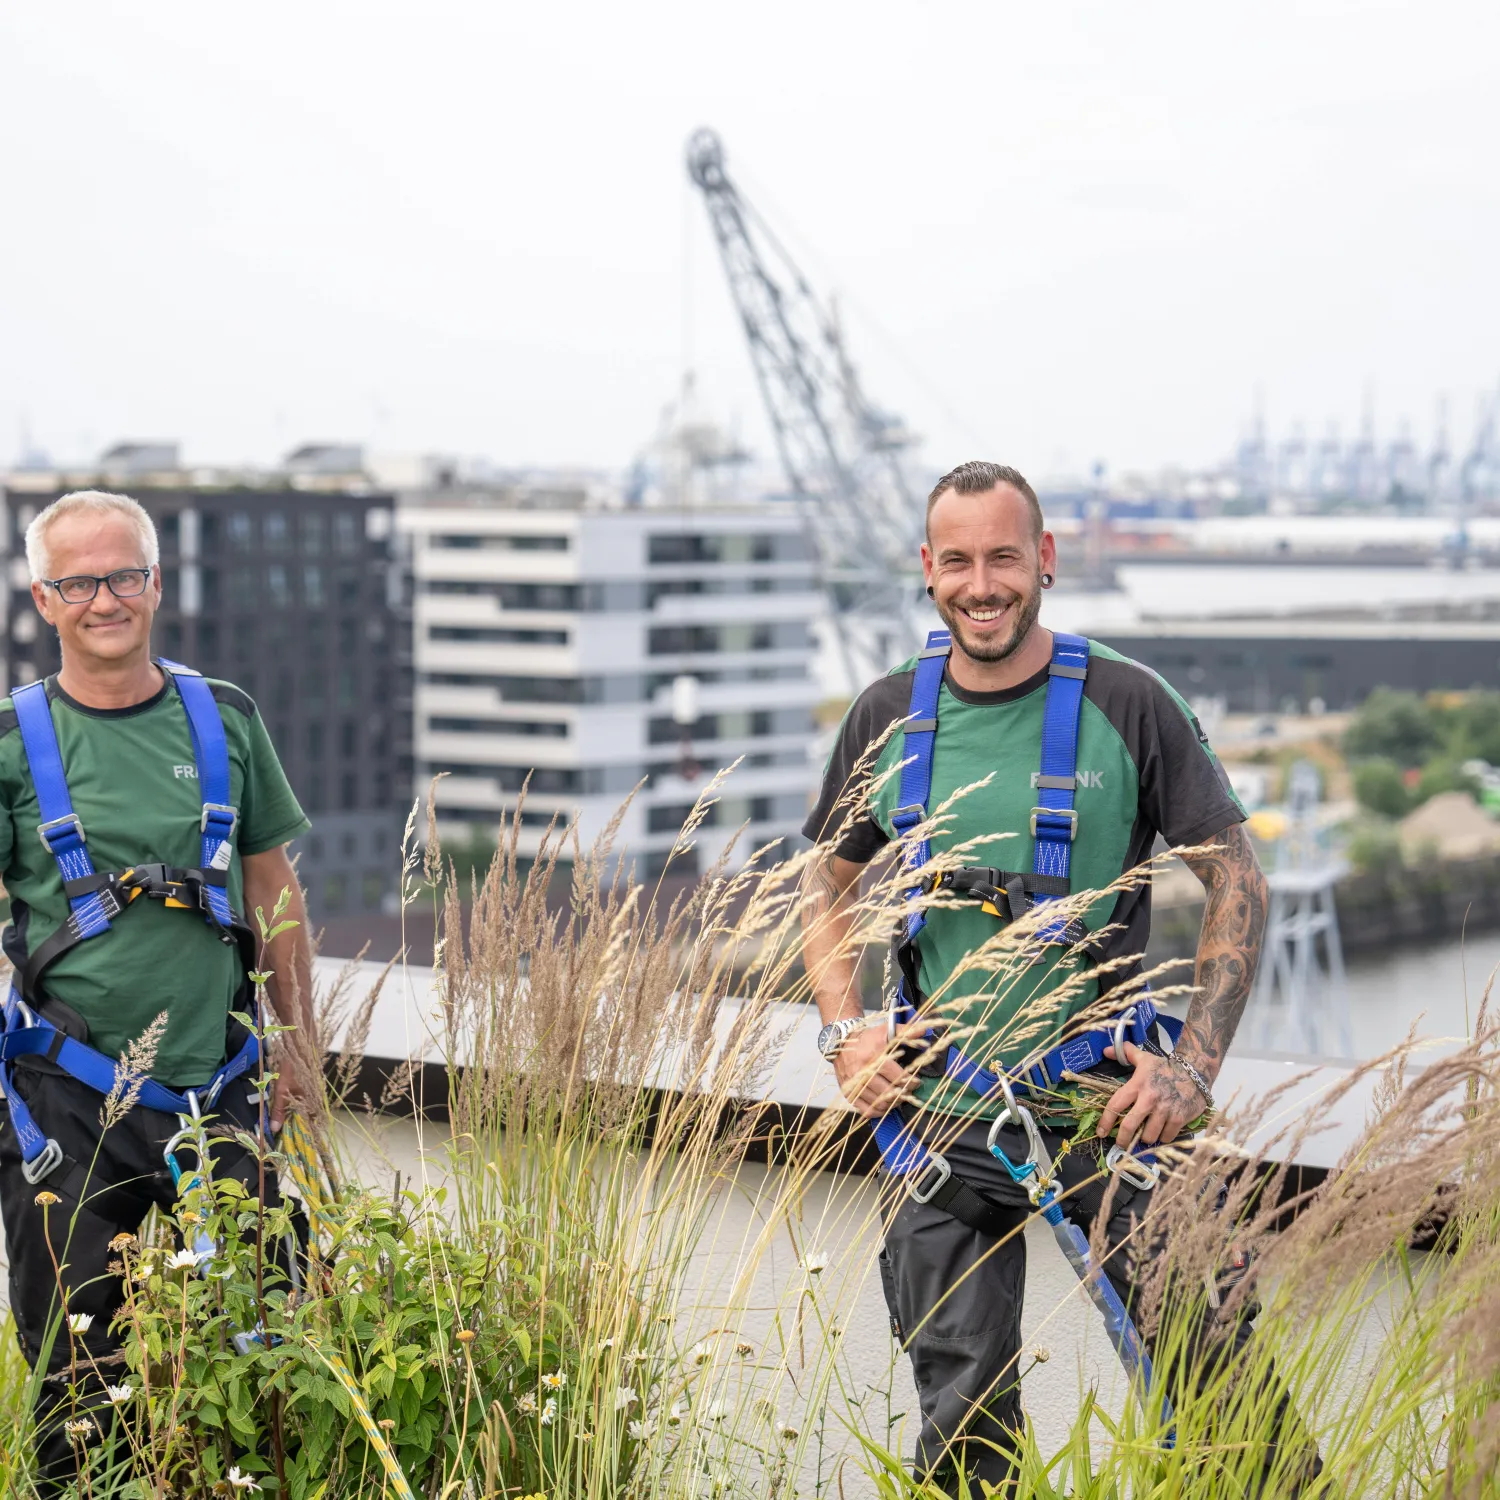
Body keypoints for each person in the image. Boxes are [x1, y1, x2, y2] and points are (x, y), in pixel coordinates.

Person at [801, 462, 1308, 1492]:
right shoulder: (888, 713)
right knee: (963, 1431)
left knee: (1227, 1396)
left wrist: (1193, 1070)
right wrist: (844, 1032)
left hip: (1103, 1101)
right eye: (957, 562)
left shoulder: (1129, 701)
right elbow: (824, 883)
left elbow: (1239, 885)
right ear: (927, 571)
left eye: (1002, 557)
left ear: (1045, 560)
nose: (980, 585)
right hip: (942, 1114)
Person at [0, 490, 315, 1493]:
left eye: (124, 575)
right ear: (44, 598)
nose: (106, 599)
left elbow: (272, 888)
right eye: (80, 581)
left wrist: (300, 1043)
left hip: (220, 1089)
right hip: (67, 1105)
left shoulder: (221, 717)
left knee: (267, 1363)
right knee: (81, 1390)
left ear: (157, 583)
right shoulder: (13, 743)